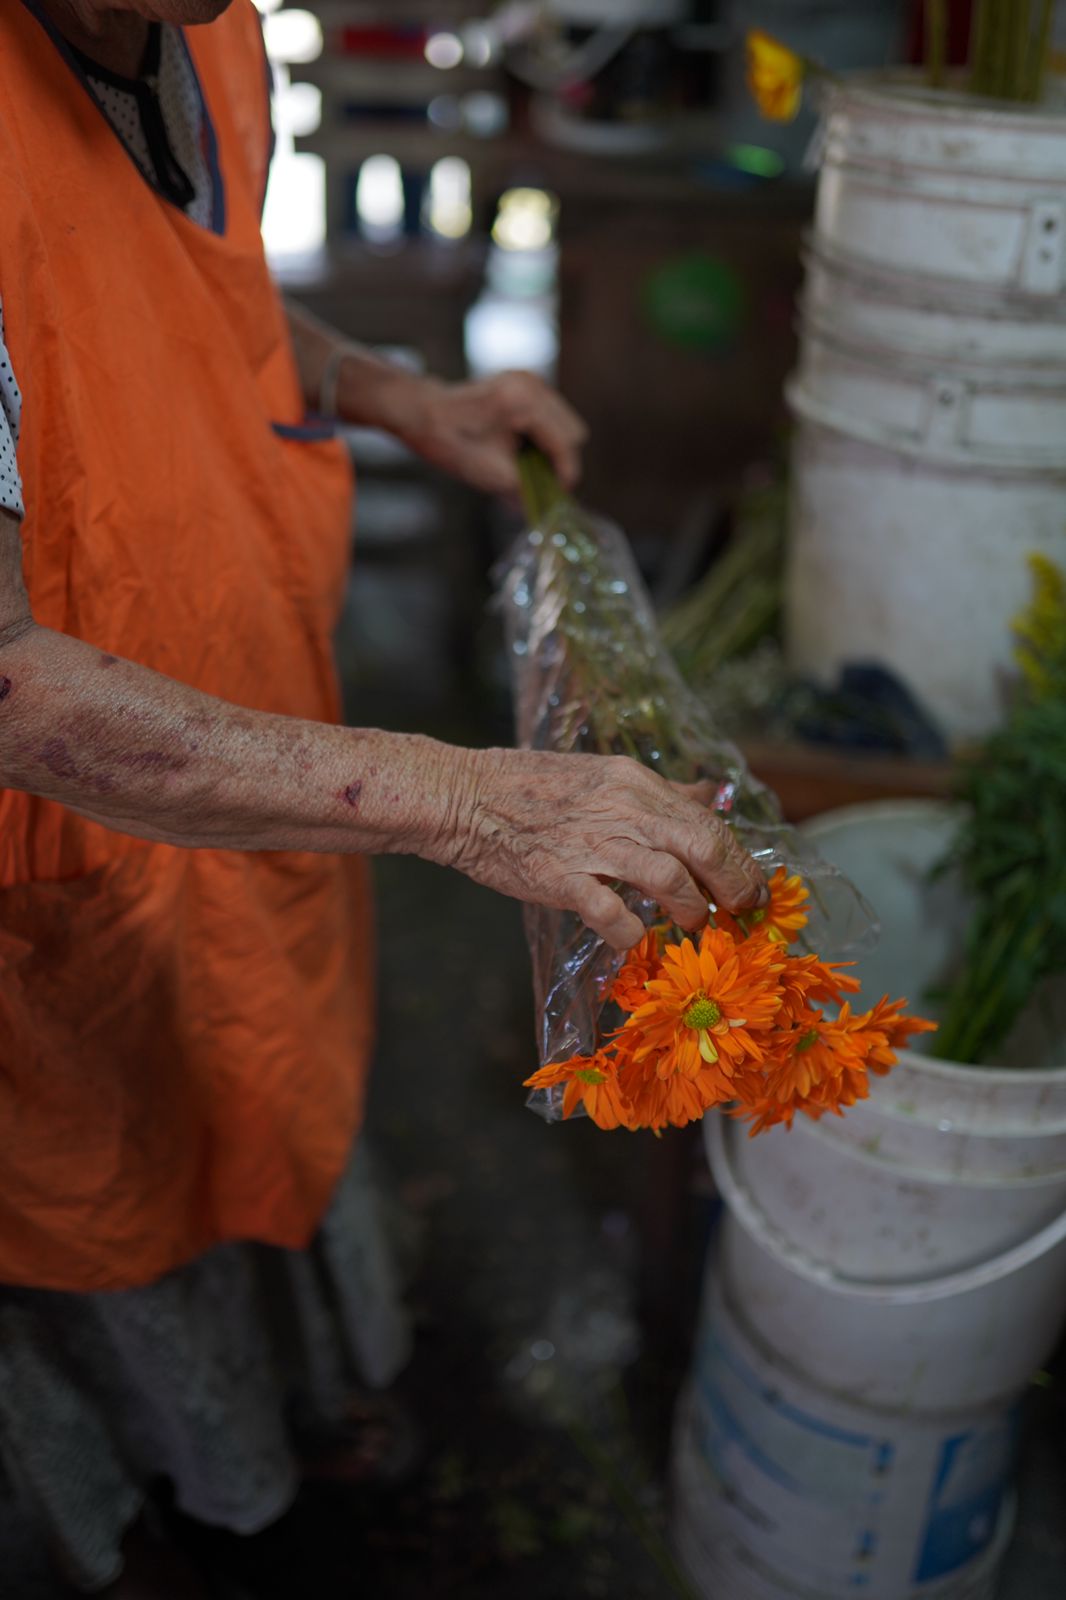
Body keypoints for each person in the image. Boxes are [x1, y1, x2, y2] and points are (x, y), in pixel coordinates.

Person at [0, 1, 769, 1593]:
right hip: (76, 841)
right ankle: (183, 1511)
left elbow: (189, 310)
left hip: (264, 754)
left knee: (272, 1108)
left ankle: (301, 1400)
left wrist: (399, 394)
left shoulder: (201, 39)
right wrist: (467, 802)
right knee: (110, 1219)